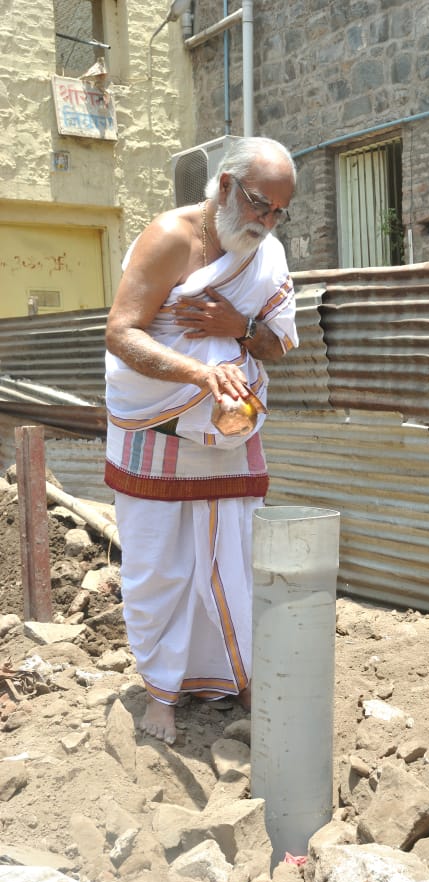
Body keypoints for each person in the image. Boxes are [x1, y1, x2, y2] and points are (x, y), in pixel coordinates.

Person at [104, 136, 298, 745]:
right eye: (259, 206)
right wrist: (198, 371)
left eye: (277, 213)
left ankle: (236, 678)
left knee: (236, 561)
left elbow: (280, 344)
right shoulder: (170, 238)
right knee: (159, 569)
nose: (266, 223)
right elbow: (121, 334)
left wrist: (237, 328)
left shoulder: (266, 254)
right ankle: (161, 694)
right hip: (156, 431)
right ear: (223, 187)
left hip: (230, 432)